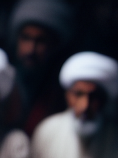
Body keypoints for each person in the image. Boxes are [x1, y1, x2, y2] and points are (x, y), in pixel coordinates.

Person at [7, 0, 73, 136]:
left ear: (55, 45)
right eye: (26, 38)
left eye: (41, 41)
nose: (31, 50)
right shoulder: (2, 82)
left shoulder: (61, 92)